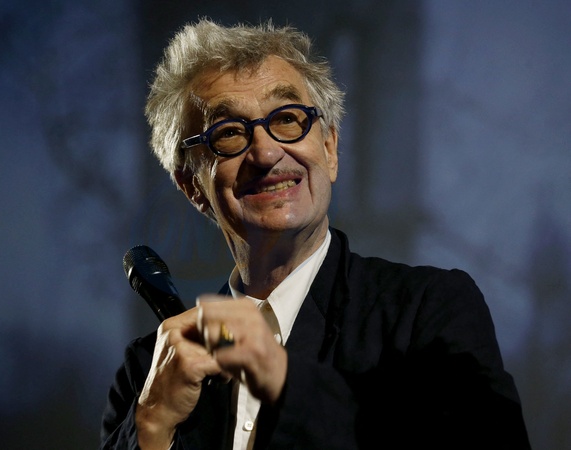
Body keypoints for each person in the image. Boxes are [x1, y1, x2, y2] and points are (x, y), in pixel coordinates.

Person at [100, 19, 530, 450]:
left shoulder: (426, 311)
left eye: (287, 119)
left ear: (329, 149)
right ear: (192, 186)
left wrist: (281, 377)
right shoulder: (146, 371)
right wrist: (152, 423)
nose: (267, 152)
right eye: (228, 133)